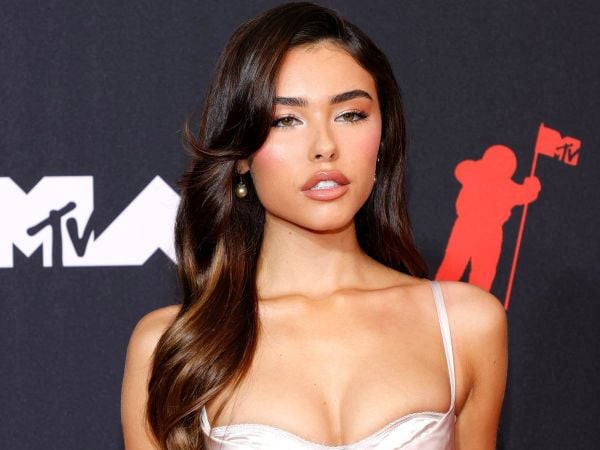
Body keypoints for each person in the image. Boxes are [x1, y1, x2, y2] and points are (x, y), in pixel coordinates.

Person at [121, 2, 507, 449]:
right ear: (242, 154)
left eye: (350, 115)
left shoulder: (465, 326)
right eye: (286, 120)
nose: (325, 146)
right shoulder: (170, 348)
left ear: (383, 137)